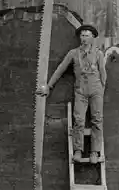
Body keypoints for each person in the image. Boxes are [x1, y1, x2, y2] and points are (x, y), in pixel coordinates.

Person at [37, 24, 107, 164]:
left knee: (97, 120)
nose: (84, 38)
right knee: (79, 120)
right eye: (82, 35)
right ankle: (78, 150)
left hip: (96, 90)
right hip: (80, 91)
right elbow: (60, 70)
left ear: (92, 37)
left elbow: (103, 75)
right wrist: (49, 87)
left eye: (87, 35)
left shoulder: (98, 54)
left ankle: (94, 151)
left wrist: (100, 92)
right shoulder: (73, 53)